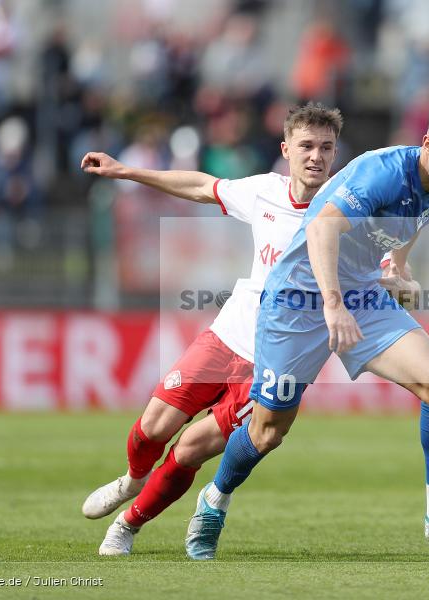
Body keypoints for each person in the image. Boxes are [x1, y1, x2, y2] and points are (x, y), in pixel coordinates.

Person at [186, 102, 429, 560]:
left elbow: (411, 221)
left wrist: (398, 268)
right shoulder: (382, 172)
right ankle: (213, 500)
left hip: (361, 296)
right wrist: (332, 306)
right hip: (297, 299)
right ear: (428, 143)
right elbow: (322, 230)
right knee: (268, 432)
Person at [79, 102, 343, 556]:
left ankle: (127, 524)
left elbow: (383, 263)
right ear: (286, 149)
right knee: (153, 425)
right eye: (306, 146)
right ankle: (131, 480)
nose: (316, 156)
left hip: (270, 364)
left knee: (190, 449)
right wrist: (127, 172)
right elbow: (202, 186)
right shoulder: (266, 191)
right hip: (226, 337)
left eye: (326, 147)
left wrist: (397, 275)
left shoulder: (347, 213)